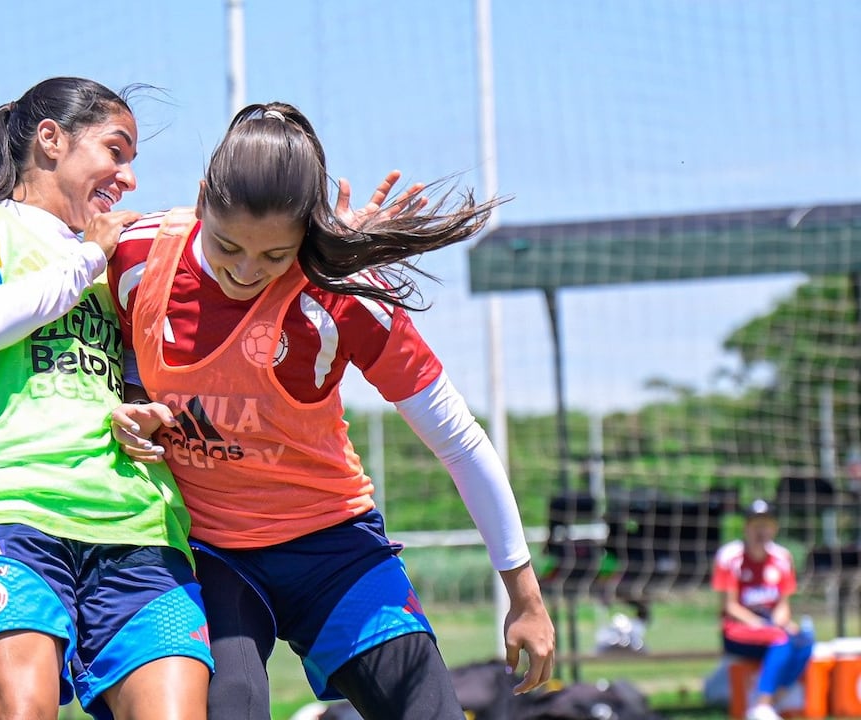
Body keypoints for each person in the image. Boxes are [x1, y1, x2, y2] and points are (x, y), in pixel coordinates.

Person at [106, 101, 555, 720]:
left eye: (274, 256)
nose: (245, 272)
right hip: (208, 553)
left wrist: (524, 594)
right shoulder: (135, 258)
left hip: (333, 547)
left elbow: (458, 440)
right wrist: (126, 404)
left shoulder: (343, 297)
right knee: (231, 706)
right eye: (227, 245)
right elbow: (93, 358)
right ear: (202, 199)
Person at [0, 76, 211, 720]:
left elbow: (144, 375)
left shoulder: (123, 257)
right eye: (115, 151)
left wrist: (146, 410)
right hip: (12, 511)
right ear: (51, 139)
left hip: (139, 524)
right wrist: (86, 260)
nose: (129, 178)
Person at [712, 499, 814, 720]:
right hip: (738, 628)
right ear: (746, 527)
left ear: (774, 528)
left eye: (766, 525)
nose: (761, 531)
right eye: (756, 525)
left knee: (804, 641)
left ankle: (773, 700)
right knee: (780, 638)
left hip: (770, 626)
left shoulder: (782, 557)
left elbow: (783, 604)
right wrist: (762, 625)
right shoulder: (730, 557)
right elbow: (729, 606)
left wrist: (780, 621)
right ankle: (761, 705)